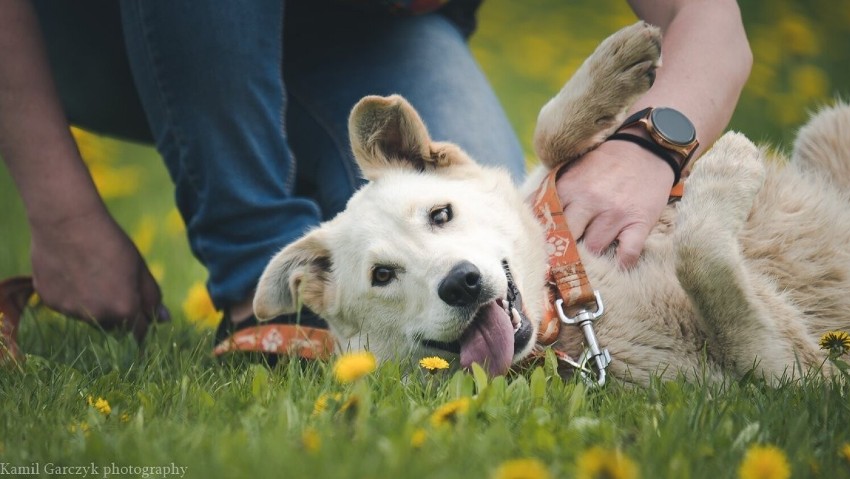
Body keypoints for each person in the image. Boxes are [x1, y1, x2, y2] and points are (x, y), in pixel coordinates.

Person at [0, 0, 751, 357]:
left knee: (475, 256)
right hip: (126, 34)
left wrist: (647, 146)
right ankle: (251, 276)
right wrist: (61, 210)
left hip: (360, 34)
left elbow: (709, 20)